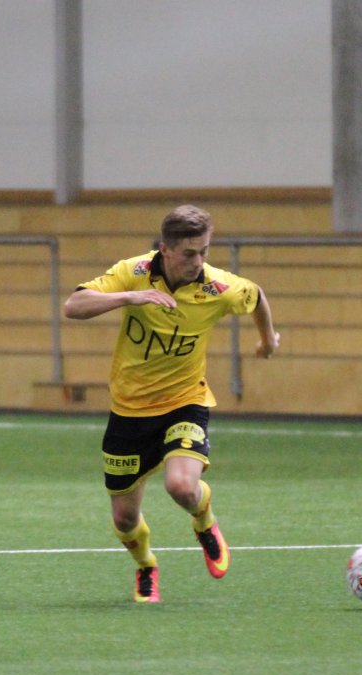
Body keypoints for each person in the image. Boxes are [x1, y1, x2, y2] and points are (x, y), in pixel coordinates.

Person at [63, 205, 280, 603]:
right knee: (124, 518)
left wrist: (268, 341)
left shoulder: (217, 286)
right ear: (165, 249)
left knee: (181, 486)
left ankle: (204, 520)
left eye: (204, 251)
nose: (198, 262)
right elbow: (73, 306)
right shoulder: (134, 271)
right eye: (189, 253)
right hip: (129, 410)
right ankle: (146, 566)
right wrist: (130, 297)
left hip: (185, 400)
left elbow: (257, 295)